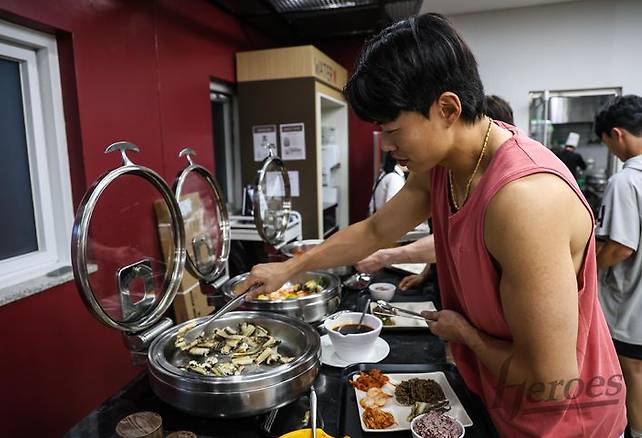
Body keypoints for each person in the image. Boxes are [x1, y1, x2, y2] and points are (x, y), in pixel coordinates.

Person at [239, 14, 626, 436]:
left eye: (392, 130)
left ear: (446, 108)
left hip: (563, 421)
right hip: (498, 397)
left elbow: (550, 381)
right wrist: (288, 268)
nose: (386, 146)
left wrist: (468, 336)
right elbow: (374, 232)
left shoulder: (523, 201)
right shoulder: (443, 164)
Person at [355, 94, 515, 289]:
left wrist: (384, 256)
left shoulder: (511, 189)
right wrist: (427, 273)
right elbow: (378, 228)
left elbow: (453, 241)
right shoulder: (440, 171)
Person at [594, 95, 642, 438]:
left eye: (607, 142)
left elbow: (621, 247)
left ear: (617, 134)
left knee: (632, 373)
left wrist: (583, 270)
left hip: (631, 309)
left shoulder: (626, 180)